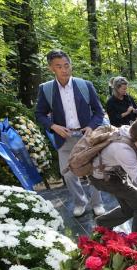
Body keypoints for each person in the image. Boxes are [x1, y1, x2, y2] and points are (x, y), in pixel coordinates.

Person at [35, 49, 105, 218]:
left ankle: (98, 203)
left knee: (95, 170)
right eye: (59, 66)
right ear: (51, 68)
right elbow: (39, 114)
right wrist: (53, 126)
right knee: (67, 173)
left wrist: (91, 126)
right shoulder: (46, 89)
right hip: (63, 138)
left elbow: (98, 112)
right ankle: (80, 202)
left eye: (66, 65)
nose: (64, 69)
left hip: (87, 136)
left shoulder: (84, 85)